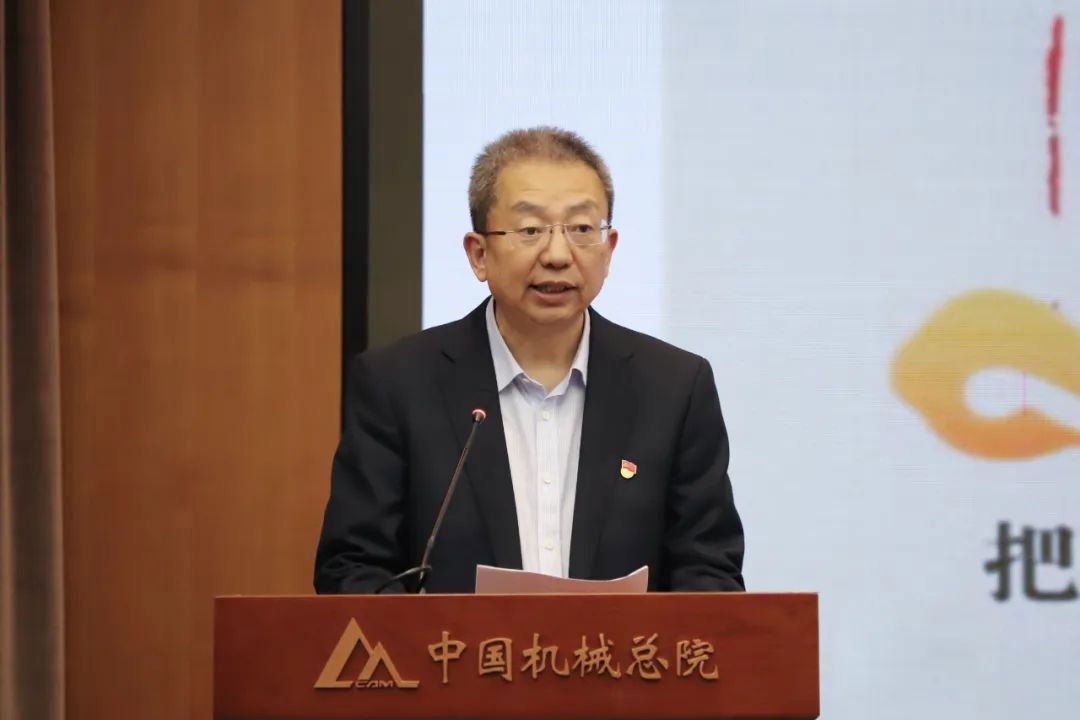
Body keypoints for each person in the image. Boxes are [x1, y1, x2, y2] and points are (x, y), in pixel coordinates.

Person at [314, 127, 744, 593]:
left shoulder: (674, 388)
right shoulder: (398, 384)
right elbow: (353, 570)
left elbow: (710, 575)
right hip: (453, 645)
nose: (558, 255)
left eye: (582, 229)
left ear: (609, 250)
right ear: (479, 254)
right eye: (531, 230)